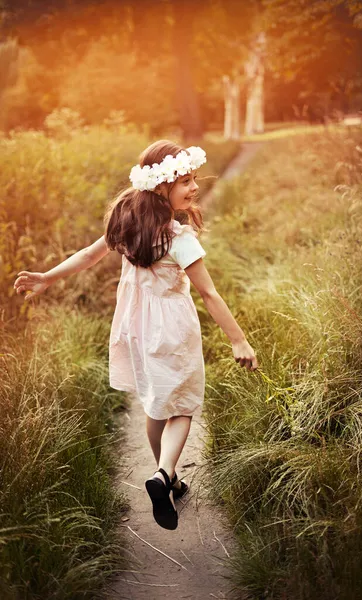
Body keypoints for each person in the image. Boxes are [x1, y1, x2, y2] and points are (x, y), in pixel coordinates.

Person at [13, 139, 259, 531]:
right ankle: (164, 474)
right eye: (185, 181)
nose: (194, 187)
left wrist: (47, 277)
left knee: (152, 402)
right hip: (173, 327)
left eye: (194, 178)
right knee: (181, 406)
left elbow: (88, 256)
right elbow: (209, 294)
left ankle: (171, 480)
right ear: (162, 186)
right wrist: (238, 339)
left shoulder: (126, 223)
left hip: (136, 327)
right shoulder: (180, 238)